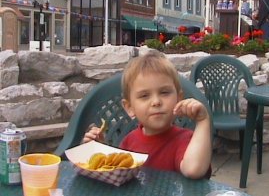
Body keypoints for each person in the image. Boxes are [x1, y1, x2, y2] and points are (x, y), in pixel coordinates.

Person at [82, 51, 212, 179]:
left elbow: (193, 170)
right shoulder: (129, 141)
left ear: (179, 98)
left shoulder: (185, 139)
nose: (156, 102)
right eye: (144, 96)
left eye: (164, 92)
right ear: (130, 107)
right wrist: (99, 149)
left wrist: (203, 121)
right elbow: (119, 176)